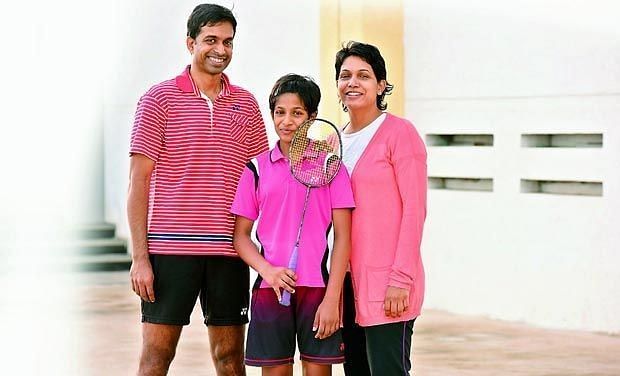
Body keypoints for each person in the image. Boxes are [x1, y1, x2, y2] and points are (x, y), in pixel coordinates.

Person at [127, 4, 268, 375]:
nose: (220, 48)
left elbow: (264, 180)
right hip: (170, 250)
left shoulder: (247, 105)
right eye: (210, 40)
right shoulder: (158, 99)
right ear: (190, 43)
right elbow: (137, 181)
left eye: (228, 41)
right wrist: (140, 258)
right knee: (156, 359)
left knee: (230, 361)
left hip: (229, 251)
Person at [231, 74, 355, 376]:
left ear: (312, 117)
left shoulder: (332, 167)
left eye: (297, 113)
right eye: (279, 112)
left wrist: (332, 298)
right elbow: (241, 237)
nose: (286, 121)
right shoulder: (256, 169)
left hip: (318, 289)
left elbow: (343, 239)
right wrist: (268, 271)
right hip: (270, 289)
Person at [335, 41, 427, 375]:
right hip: (346, 284)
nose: (353, 82)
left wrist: (400, 278)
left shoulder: (400, 134)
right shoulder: (334, 141)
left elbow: (414, 211)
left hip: (389, 283)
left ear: (381, 85)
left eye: (364, 75)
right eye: (345, 75)